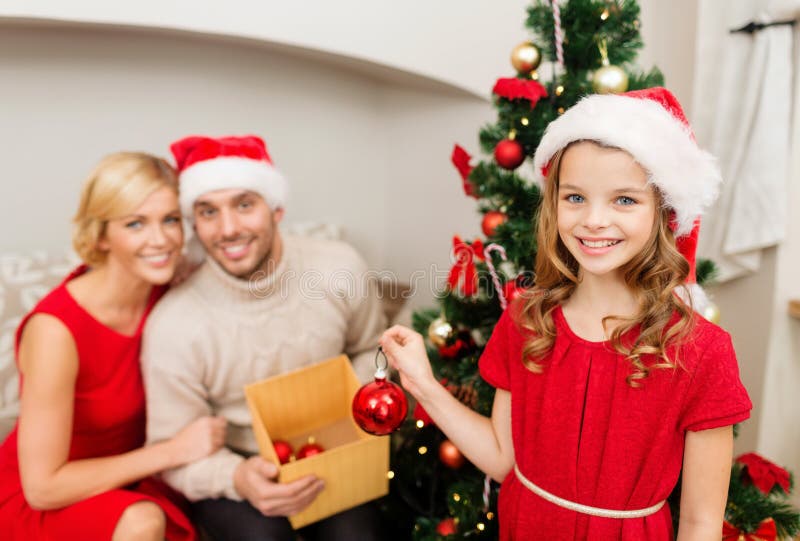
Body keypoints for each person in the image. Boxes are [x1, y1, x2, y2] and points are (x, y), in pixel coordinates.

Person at [380, 87, 752, 540]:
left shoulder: (701, 351)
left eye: (624, 200)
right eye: (575, 197)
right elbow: (502, 459)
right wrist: (422, 383)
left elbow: (699, 523)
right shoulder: (526, 320)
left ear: (663, 213)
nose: (593, 220)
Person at [142, 135, 386, 541]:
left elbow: (372, 346)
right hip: (237, 469)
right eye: (208, 212)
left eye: (244, 204)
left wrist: (357, 406)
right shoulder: (175, 324)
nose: (229, 229)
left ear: (276, 208)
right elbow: (171, 450)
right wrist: (236, 476)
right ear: (194, 224)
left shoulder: (338, 266)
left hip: (336, 451)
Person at [0, 152, 227, 541]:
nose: (161, 240)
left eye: (170, 219)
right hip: (49, 496)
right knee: (142, 521)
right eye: (135, 223)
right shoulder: (55, 330)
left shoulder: (170, 289)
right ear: (101, 235)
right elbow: (42, 488)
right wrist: (172, 451)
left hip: (131, 480)